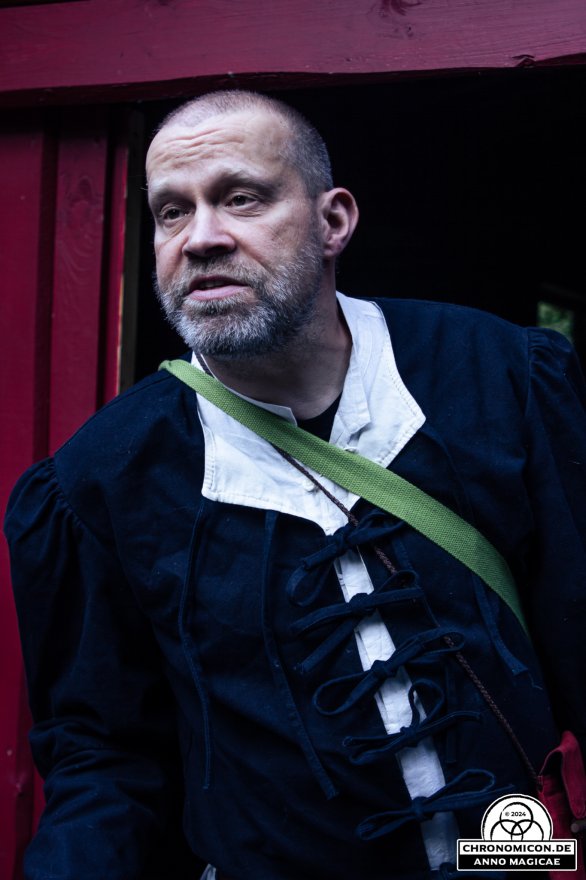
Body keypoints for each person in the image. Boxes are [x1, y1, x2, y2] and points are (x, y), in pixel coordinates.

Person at [5, 89, 586, 880]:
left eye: (241, 198)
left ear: (332, 221)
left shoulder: (502, 379)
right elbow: (106, 760)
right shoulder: (100, 482)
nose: (202, 238)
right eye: (172, 212)